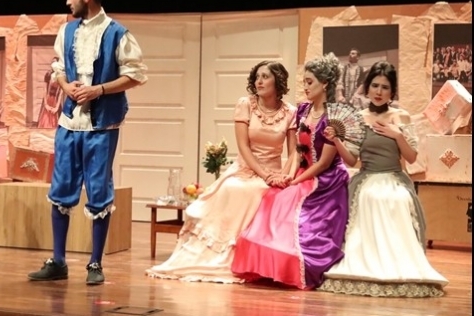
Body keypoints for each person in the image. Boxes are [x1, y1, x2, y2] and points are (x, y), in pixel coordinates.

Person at [27, 0, 148, 285]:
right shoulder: (67, 31)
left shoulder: (117, 33)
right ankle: (58, 260)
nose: (67, 1)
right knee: (62, 187)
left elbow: (135, 75)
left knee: (98, 189)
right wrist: (66, 86)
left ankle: (95, 263)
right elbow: (58, 68)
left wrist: (99, 90)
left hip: (101, 124)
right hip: (69, 122)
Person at [145, 61, 297, 283]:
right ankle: (225, 254)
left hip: (275, 171)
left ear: (278, 81)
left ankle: (259, 258)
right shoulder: (246, 104)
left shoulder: (290, 112)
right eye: (257, 77)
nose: (259, 81)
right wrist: (264, 175)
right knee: (235, 189)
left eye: (265, 77)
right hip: (246, 169)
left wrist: (284, 176)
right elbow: (244, 147)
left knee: (268, 193)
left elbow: (294, 152)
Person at [319, 61, 449, 297]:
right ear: (367, 88)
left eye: (385, 87)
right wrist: (336, 140)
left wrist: (397, 135)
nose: (379, 92)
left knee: (396, 199)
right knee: (370, 197)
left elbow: (411, 157)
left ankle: (398, 263)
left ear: (392, 92)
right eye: (375, 86)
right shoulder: (357, 118)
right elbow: (352, 161)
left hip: (394, 178)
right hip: (366, 178)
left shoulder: (401, 117)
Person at [231, 52, 350, 290]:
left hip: (325, 181)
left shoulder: (333, 117)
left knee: (298, 221)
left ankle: (290, 264)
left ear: (324, 84)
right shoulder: (304, 110)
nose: (305, 87)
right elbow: (298, 150)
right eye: (304, 81)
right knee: (272, 199)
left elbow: (322, 164)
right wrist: (288, 175)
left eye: (309, 82)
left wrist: (295, 181)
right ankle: (264, 265)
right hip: (302, 173)